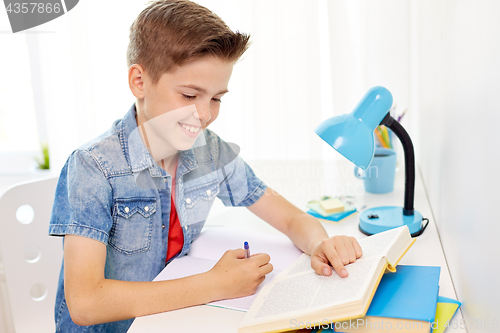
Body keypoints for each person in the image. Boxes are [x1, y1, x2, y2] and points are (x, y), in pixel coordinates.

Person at [48, 0, 363, 331]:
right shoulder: (93, 167)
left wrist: (319, 243)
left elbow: (290, 217)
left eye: (216, 98)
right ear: (140, 81)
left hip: (173, 322)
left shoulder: (209, 151)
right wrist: (214, 284)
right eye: (189, 95)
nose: (205, 114)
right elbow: (85, 303)